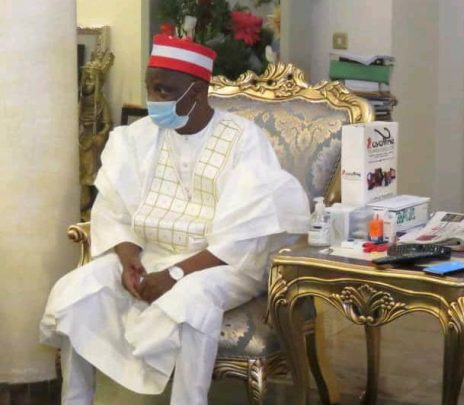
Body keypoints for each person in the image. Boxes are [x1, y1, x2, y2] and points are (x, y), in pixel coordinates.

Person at [40, 34, 310, 405]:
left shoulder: (243, 140)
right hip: (151, 252)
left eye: (164, 90)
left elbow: (243, 236)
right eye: (150, 88)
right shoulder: (136, 138)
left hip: (223, 264)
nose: (154, 99)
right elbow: (114, 210)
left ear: (197, 91)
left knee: (192, 301)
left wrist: (175, 275)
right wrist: (129, 259)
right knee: (79, 290)